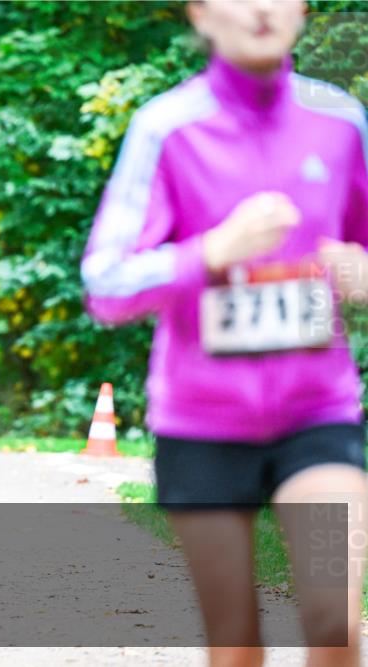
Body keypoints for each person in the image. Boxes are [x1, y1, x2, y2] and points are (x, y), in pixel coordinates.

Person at [81, 1, 366, 665]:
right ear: (202, 15)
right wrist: (211, 252)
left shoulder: (341, 122)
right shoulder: (167, 128)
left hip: (316, 418)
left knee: (334, 619)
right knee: (236, 643)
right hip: (202, 426)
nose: (262, 7)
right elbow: (106, 283)